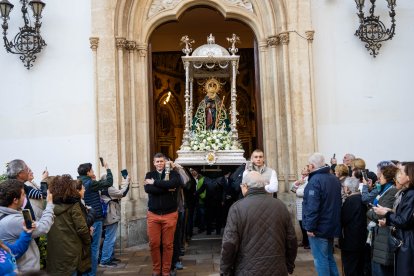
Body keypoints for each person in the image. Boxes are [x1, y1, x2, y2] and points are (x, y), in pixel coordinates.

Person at [220, 171, 297, 275]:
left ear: (245, 186)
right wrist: (289, 265)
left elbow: (229, 244)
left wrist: (225, 270)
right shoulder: (280, 205)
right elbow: (291, 240)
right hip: (278, 269)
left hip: (247, 270)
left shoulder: (237, 208)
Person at [0, 179, 54, 272]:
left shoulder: (6, 214)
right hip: (25, 270)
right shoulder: (13, 221)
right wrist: (49, 205)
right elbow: (43, 228)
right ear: (15, 200)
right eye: (23, 194)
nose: (26, 196)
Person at [302, 152, 342, 276]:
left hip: (319, 228)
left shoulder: (315, 180)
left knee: (320, 260)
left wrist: (310, 227)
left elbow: (312, 207)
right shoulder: (333, 178)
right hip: (330, 225)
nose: (308, 167)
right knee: (329, 258)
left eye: (309, 165)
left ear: (313, 166)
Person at [373, 162, 414, 276]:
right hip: (403, 240)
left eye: (401, 173)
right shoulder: (406, 193)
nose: (398, 175)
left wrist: (386, 214)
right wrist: (390, 213)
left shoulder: (411, 194)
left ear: (409, 176)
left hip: (407, 242)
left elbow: (404, 221)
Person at [144, 153, 181, 276]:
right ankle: (156, 269)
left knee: (168, 244)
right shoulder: (149, 175)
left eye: (161, 161)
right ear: (154, 163)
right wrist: (165, 187)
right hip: (153, 215)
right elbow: (148, 189)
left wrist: (154, 183)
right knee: (154, 243)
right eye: (157, 161)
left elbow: (174, 184)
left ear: (165, 162)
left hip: (169, 214)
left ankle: (165, 271)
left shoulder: (174, 174)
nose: (160, 163)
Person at [46, 175, 91, 275]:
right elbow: (82, 228)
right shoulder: (73, 205)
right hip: (72, 252)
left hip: (54, 251)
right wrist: (88, 240)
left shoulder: (49, 206)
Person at [78, 162, 113, 276]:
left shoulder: (77, 182)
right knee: (94, 248)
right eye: (92, 170)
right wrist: (108, 169)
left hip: (84, 218)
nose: (93, 172)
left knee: (85, 248)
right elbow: (109, 182)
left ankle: (85, 273)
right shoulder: (90, 183)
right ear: (88, 172)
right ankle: (91, 274)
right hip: (95, 217)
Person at [366, 164, 398, 276]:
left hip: (385, 237)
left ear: (388, 177)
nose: (379, 177)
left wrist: (370, 211)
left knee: (381, 271)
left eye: (381, 175)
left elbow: (377, 215)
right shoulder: (384, 190)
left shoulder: (392, 191)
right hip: (379, 236)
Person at [99, 174, 130, 268]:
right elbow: (122, 193)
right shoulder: (108, 188)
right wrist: (127, 181)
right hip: (111, 215)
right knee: (110, 238)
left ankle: (109, 257)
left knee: (109, 237)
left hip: (108, 215)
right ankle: (105, 260)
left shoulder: (101, 187)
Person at [339, 177, 367, 276]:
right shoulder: (361, 198)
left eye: (344, 187)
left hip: (351, 241)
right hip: (361, 239)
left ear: (347, 188)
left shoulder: (350, 200)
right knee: (359, 267)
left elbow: (343, 219)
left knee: (351, 268)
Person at [291, 166, 310, 249]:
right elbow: (292, 188)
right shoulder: (301, 179)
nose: (302, 169)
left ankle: (308, 243)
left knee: (304, 224)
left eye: (304, 169)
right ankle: (304, 241)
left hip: (304, 204)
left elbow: (305, 192)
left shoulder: (309, 179)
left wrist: (296, 190)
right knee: (301, 223)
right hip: (299, 204)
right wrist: (297, 184)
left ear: (308, 172)